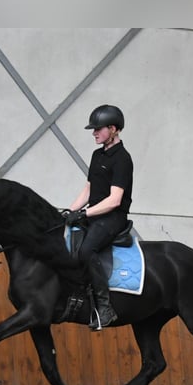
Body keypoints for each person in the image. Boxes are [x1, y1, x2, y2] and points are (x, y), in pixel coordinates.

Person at [62, 104, 133, 330]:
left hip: (113, 217)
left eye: (98, 129)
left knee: (86, 250)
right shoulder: (97, 154)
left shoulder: (122, 159)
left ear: (113, 129)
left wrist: (84, 213)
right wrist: (69, 212)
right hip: (95, 214)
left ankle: (105, 307)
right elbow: (89, 189)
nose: (94, 133)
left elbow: (114, 200)